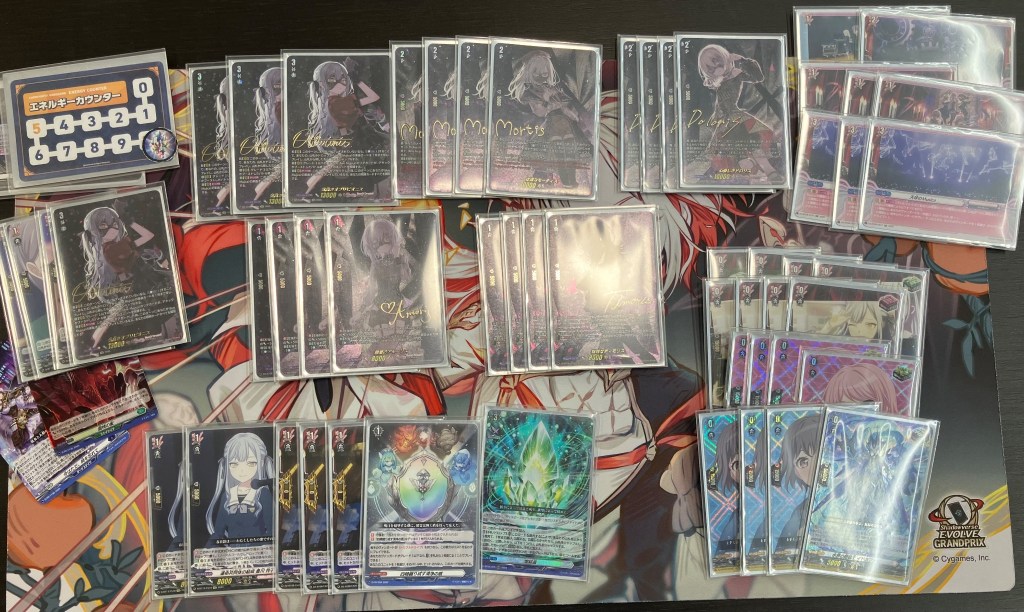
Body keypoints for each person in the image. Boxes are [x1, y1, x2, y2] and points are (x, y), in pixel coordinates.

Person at [205, 432, 274, 546]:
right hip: (233, 554)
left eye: (250, 463)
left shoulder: (263, 494)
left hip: (258, 553)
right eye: (234, 464)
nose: (242, 470)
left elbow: (272, 532)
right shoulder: (227, 496)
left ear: (261, 463)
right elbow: (218, 533)